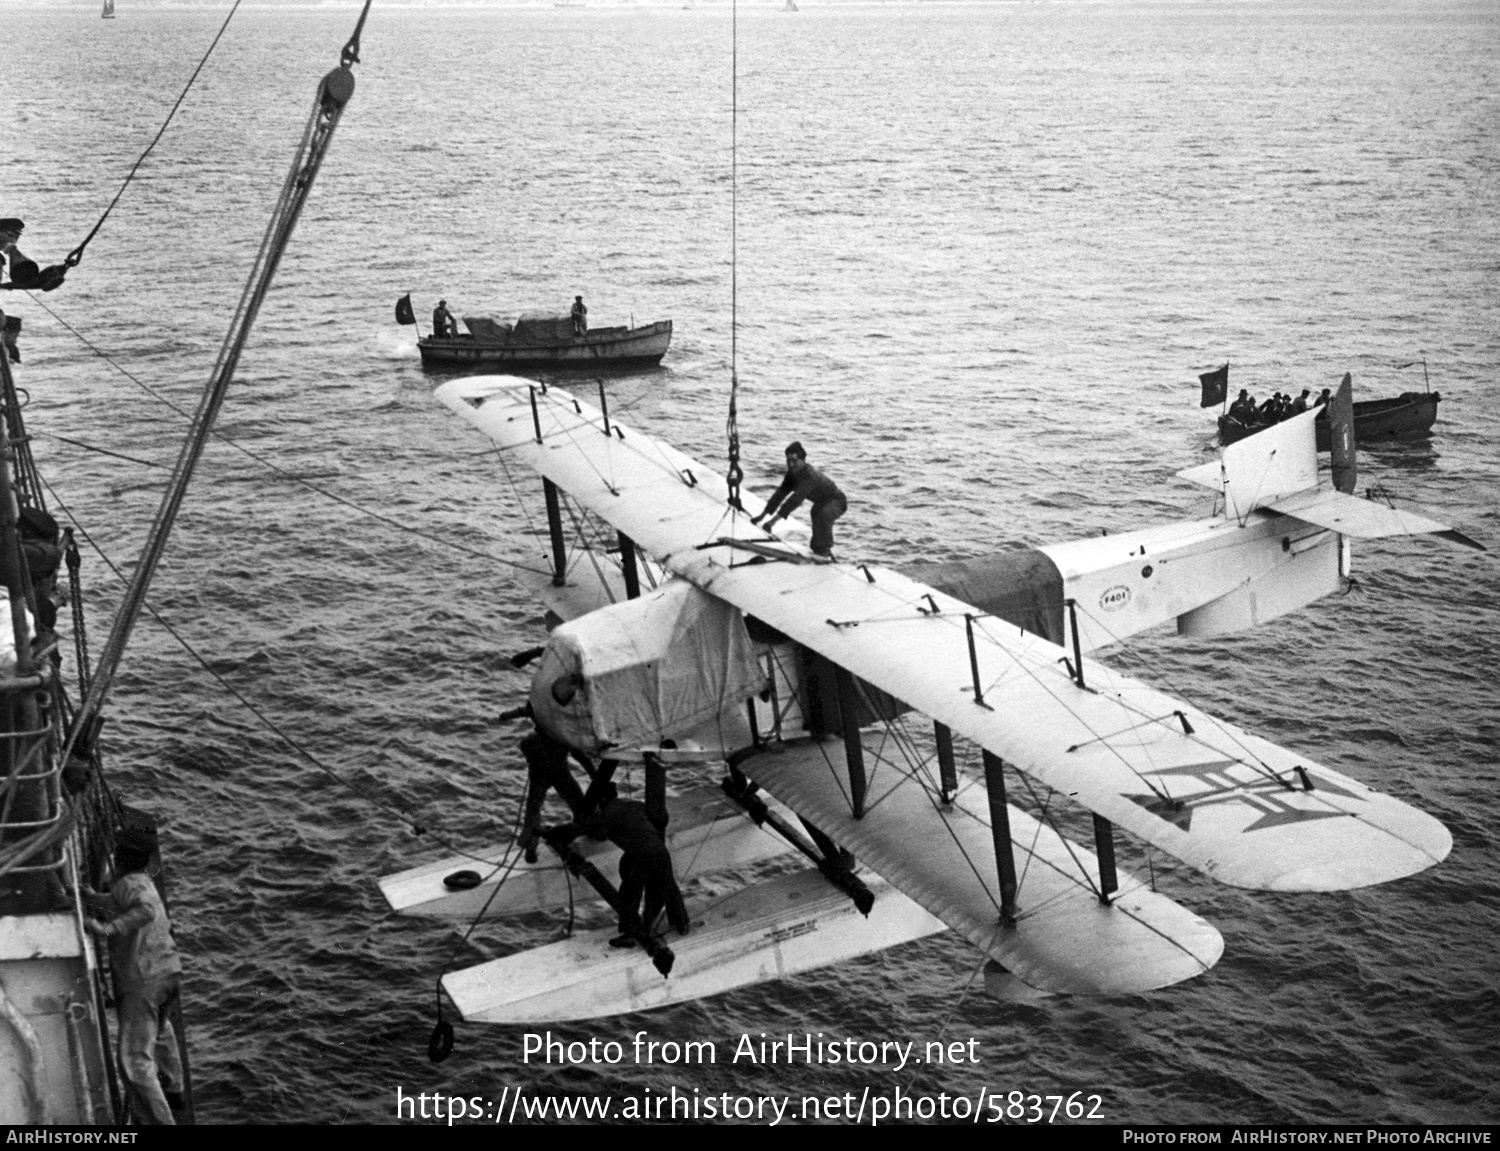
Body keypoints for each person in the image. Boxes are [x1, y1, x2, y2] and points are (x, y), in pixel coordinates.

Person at [81, 828, 185, 1124]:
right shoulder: (142, 882)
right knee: (159, 1032)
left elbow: (145, 911)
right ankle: (173, 1086)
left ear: (120, 858)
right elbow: (122, 903)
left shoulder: (128, 884)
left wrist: (107, 929)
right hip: (167, 973)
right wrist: (92, 898)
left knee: (133, 1061)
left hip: (144, 979)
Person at [751, 441, 848, 558]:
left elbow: (794, 501)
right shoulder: (791, 474)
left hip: (837, 501)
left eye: (794, 461)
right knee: (816, 535)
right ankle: (820, 552)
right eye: (788, 461)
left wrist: (772, 522)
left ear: (803, 460)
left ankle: (825, 554)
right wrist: (761, 516)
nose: (790, 464)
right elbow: (779, 495)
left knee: (823, 515)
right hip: (821, 502)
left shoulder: (810, 477)